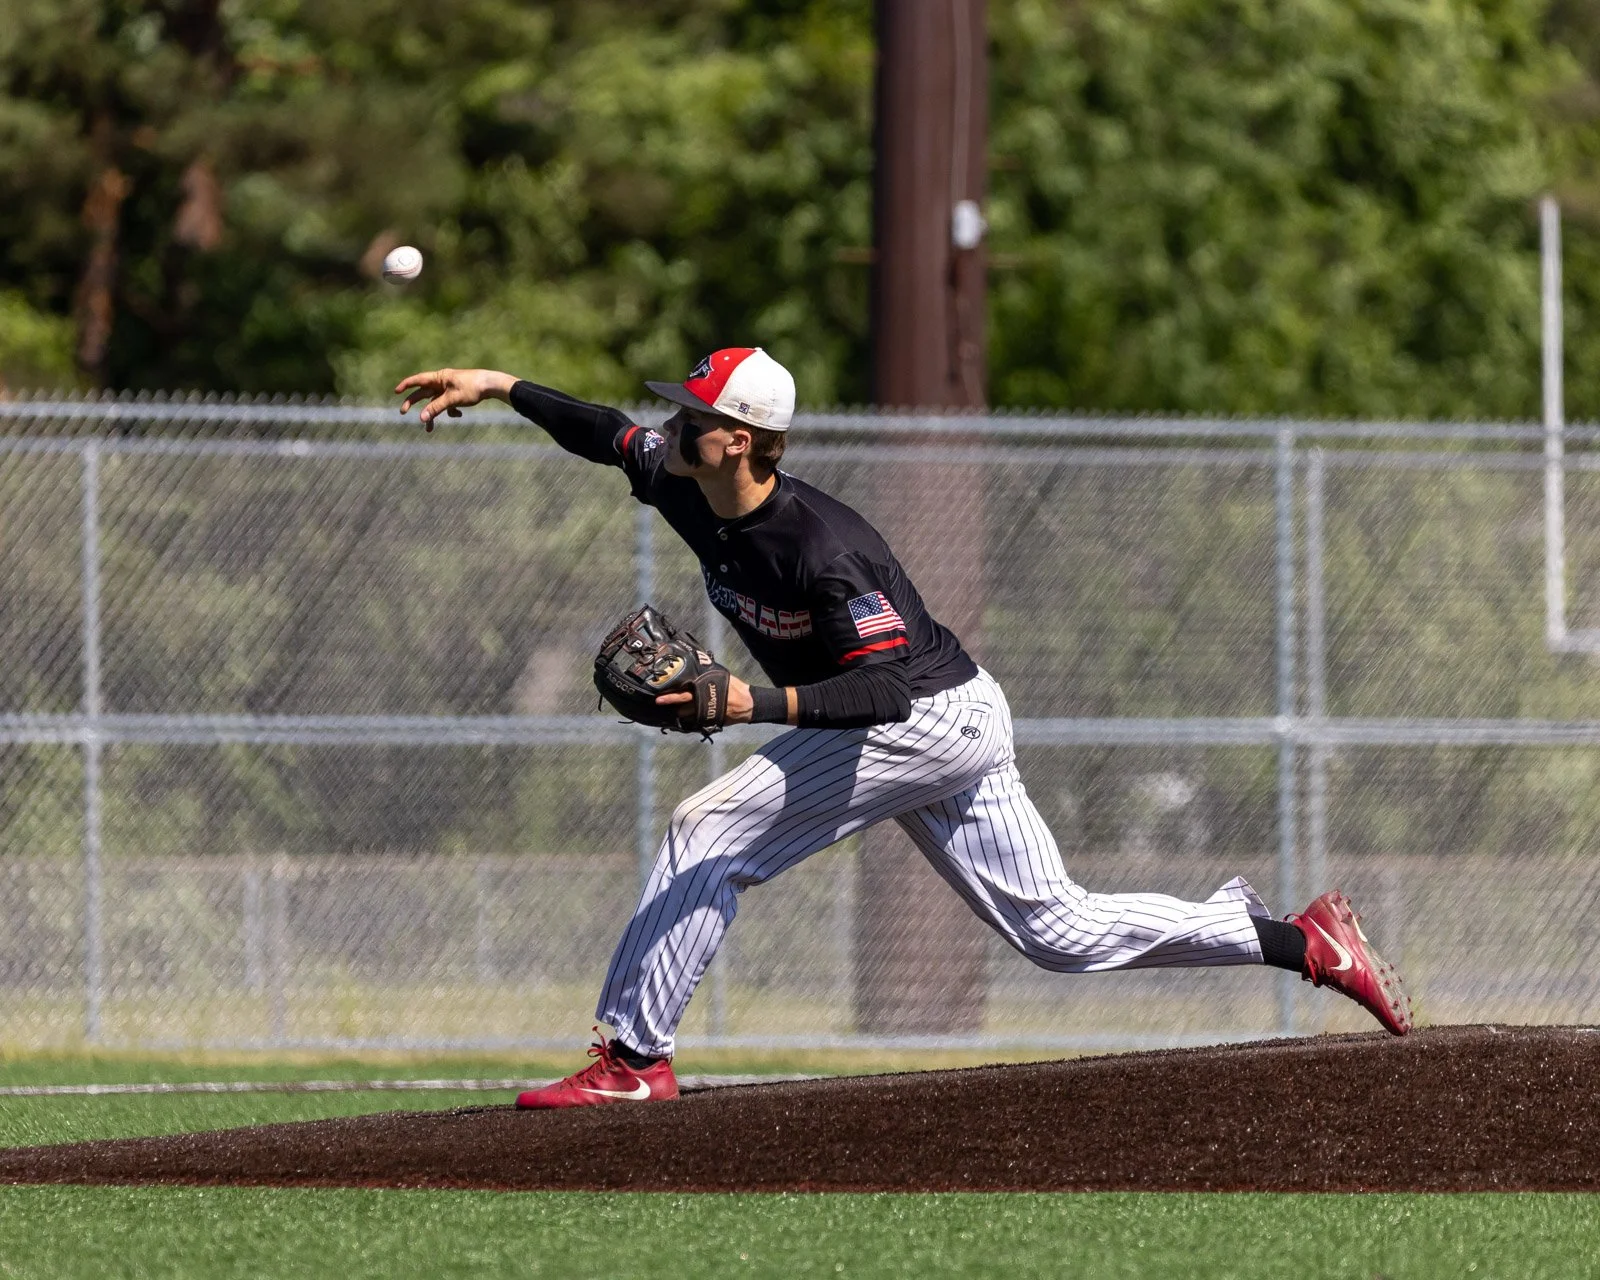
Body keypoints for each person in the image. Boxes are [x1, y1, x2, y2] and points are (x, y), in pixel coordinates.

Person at [395, 348, 1412, 1108]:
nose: (675, 422)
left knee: (707, 829)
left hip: (926, 717)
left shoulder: (823, 549)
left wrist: (751, 705)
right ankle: (1300, 941)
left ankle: (632, 1058)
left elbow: (883, 695)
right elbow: (605, 430)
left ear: (739, 439)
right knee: (1056, 932)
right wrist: (501, 385)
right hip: (939, 715)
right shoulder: (684, 479)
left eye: (694, 413)